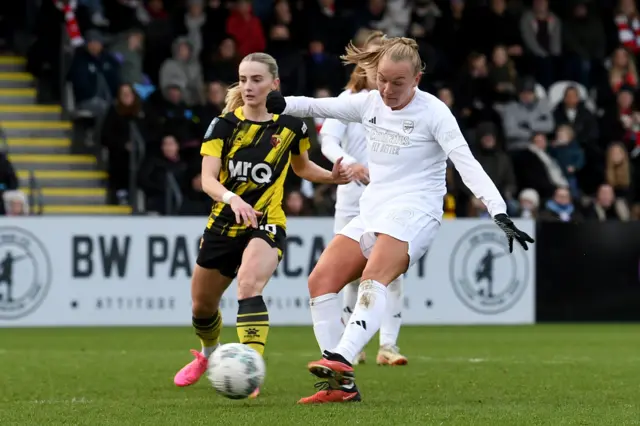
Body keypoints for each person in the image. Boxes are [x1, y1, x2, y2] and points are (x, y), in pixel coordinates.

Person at [266, 36, 534, 404]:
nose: (387, 89)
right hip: (373, 209)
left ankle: (340, 358)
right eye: (382, 80)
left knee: (374, 277)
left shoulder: (435, 113)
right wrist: (284, 103)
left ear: (417, 79)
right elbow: (318, 105)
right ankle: (339, 387)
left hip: (416, 212)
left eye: (397, 83)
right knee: (320, 281)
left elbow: (466, 162)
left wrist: (498, 209)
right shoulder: (369, 103)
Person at [173, 52, 353, 398]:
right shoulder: (224, 125)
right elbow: (208, 180)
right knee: (202, 307)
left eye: (256, 79)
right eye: (243, 79)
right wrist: (232, 199)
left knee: (248, 284)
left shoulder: (291, 126)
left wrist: (332, 177)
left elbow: (301, 168)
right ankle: (210, 355)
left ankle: (248, 366)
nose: (248, 86)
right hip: (225, 222)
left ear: (275, 84)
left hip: (266, 221)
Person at [319, 30, 407, 367]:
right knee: (349, 274)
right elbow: (328, 141)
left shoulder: (402, 103)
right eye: (372, 58)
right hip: (352, 200)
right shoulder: (348, 100)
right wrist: (347, 162)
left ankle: (389, 345)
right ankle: (350, 345)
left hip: (391, 201)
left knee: (392, 272)